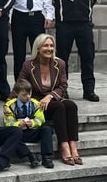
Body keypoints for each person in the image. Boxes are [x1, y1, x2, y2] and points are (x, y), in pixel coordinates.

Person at [16, 34, 82, 165]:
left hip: (53, 98)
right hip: (37, 104)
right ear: (38, 48)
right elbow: (19, 86)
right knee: (59, 107)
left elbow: (63, 85)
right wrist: (8, 104)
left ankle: (73, 146)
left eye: (52, 46)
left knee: (71, 105)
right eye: (46, 46)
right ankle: (64, 147)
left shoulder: (60, 64)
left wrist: (50, 96)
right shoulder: (28, 65)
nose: (49, 49)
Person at [49, 0, 100, 102]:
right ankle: (62, 90)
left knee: (87, 58)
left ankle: (89, 91)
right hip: (64, 24)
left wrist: (84, 12)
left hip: (84, 24)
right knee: (62, 60)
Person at [3, 79, 54, 168]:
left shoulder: (36, 104)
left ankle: (47, 157)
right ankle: (31, 157)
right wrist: (18, 123)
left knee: (47, 129)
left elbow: (41, 119)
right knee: (10, 137)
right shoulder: (10, 106)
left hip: (32, 131)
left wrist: (33, 123)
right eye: (24, 95)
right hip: (19, 133)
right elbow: (8, 122)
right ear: (17, 94)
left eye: (29, 94)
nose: (28, 97)